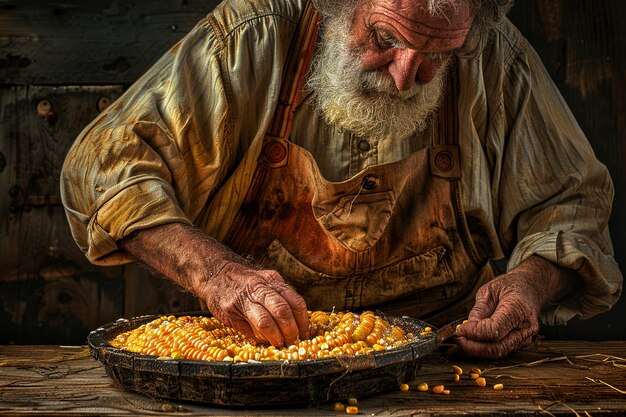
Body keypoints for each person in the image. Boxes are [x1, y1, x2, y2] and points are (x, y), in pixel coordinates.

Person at [60, 0, 622, 359]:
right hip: (245, 362)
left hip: (439, 370)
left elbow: (571, 206)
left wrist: (530, 285)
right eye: (383, 39)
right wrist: (216, 275)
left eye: (434, 56)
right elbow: (100, 168)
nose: (405, 77)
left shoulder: (495, 61)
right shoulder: (252, 37)